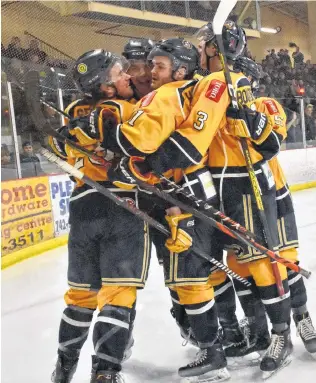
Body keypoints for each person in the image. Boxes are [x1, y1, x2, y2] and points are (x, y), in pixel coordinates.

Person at [79, 38, 230, 382]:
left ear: (179, 68)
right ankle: (214, 342)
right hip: (180, 197)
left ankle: (214, 348)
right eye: (145, 65)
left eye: (157, 65)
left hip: (183, 199)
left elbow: (138, 140)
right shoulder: (178, 91)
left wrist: (109, 140)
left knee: (189, 277)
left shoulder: (167, 94)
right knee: (185, 275)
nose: (148, 71)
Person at [190, 21, 293, 379]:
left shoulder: (233, 84)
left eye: (203, 45)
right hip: (221, 186)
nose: (197, 51)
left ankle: (283, 336)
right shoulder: (213, 84)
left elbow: (268, 144)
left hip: (243, 183)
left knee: (262, 261)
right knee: (241, 262)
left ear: (216, 48)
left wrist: (248, 122)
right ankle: (260, 331)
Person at [49, 49, 150, 383]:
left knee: (80, 296)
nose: (126, 77)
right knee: (118, 296)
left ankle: (63, 368)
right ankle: (105, 374)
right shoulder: (125, 109)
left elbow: (63, 149)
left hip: (82, 206)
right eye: (119, 73)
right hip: (121, 207)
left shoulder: (72, 112)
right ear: (105, 88)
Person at [233, 55, 316, 357]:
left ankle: (302, 317)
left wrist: (245, 115)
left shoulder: (267, 105)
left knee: (286, 260)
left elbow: (275, 138)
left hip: (273, 194)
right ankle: (260, 329)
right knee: (247, 268)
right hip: (237, 198)